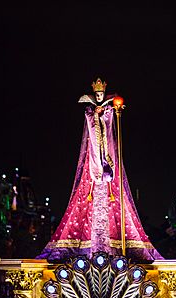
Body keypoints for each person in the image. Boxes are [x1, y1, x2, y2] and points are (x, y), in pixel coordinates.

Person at [37, 78, 163, 261]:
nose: (99, 96)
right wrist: (95, 115)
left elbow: (109, 125)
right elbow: (91, 122)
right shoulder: (89, 111)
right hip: (94, 164)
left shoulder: (110, 110)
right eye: (97, 94)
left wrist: (109, 113)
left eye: (101, 94)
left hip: (108, 166)